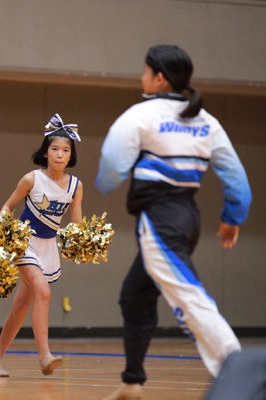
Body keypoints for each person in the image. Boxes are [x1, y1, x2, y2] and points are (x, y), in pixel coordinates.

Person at [95, 44, 252, 400]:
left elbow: (110, 169)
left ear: (158, 77)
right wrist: (232, 219)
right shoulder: (207, 121)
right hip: (187, 218)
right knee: (134, 297)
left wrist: (109, 180)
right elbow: (238, 183)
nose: (141, 77)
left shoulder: (141, 115)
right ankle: (132, 382)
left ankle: (246, 378)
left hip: (160, 221)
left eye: (144, 71)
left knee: (189, 297)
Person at [0, 114, 83, 378]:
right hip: (24, 243)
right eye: (55, 149)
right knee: (42, 292)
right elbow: (8, 206)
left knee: (21, 307)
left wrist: (84, 240)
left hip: (48, 247)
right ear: (45, 152)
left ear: (70, 155)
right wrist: (5, 230)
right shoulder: (31, 179)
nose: (60, 154)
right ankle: (45, 356)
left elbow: (76, 224)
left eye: (65, 150)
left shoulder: (76, 186)